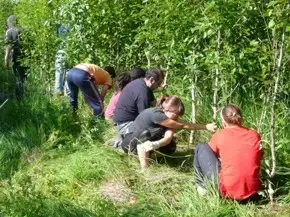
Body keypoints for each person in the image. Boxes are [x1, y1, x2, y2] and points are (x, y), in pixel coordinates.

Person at [121, 96, 217, 169]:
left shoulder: (167, 117)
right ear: (167, 110)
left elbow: (169, 137)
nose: (177, 117)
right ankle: (145, 168)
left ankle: (150, 156)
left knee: (171, 147)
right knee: (144, 134)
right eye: (176, 114)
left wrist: (156, 144)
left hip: (145, 140)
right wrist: (205, 127)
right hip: (130, 144)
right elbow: (183, 125)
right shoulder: (157, 115)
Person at [193, 104, 263, 203]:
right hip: (252, 190)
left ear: (223, 122)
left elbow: (212, 155)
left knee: (201, 147)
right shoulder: (254, 134)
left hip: (227, 190)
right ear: (241, 118)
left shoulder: (220, 134)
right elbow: (260, 157)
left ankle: (202, 186)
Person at [113, 68, 164, 137]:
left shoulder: (143, 84)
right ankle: (125, 141)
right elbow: (145, 117)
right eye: (158, 84)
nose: (158, 86)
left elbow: (154, 104)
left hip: (129, 120)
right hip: (125, 125)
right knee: (158, 130)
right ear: (152, 80)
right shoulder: (142, 91)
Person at [4, 15, 27, 98]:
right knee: (25, 77)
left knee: (18, 78)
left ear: (10, 23)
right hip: (26, 57)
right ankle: (27, 95)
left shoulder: (9, 31)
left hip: (16, 57)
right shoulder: (24, 30)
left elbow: (8, 46)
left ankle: (20, 98)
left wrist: (6, 60)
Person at [54, 24, 70, 95]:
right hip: (69, 51)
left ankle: (58, 90)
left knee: (59, 71)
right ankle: (67, 91)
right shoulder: (71, 24)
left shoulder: (58, 25)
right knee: (68, 71)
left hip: (60, 51)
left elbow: (55, 37)